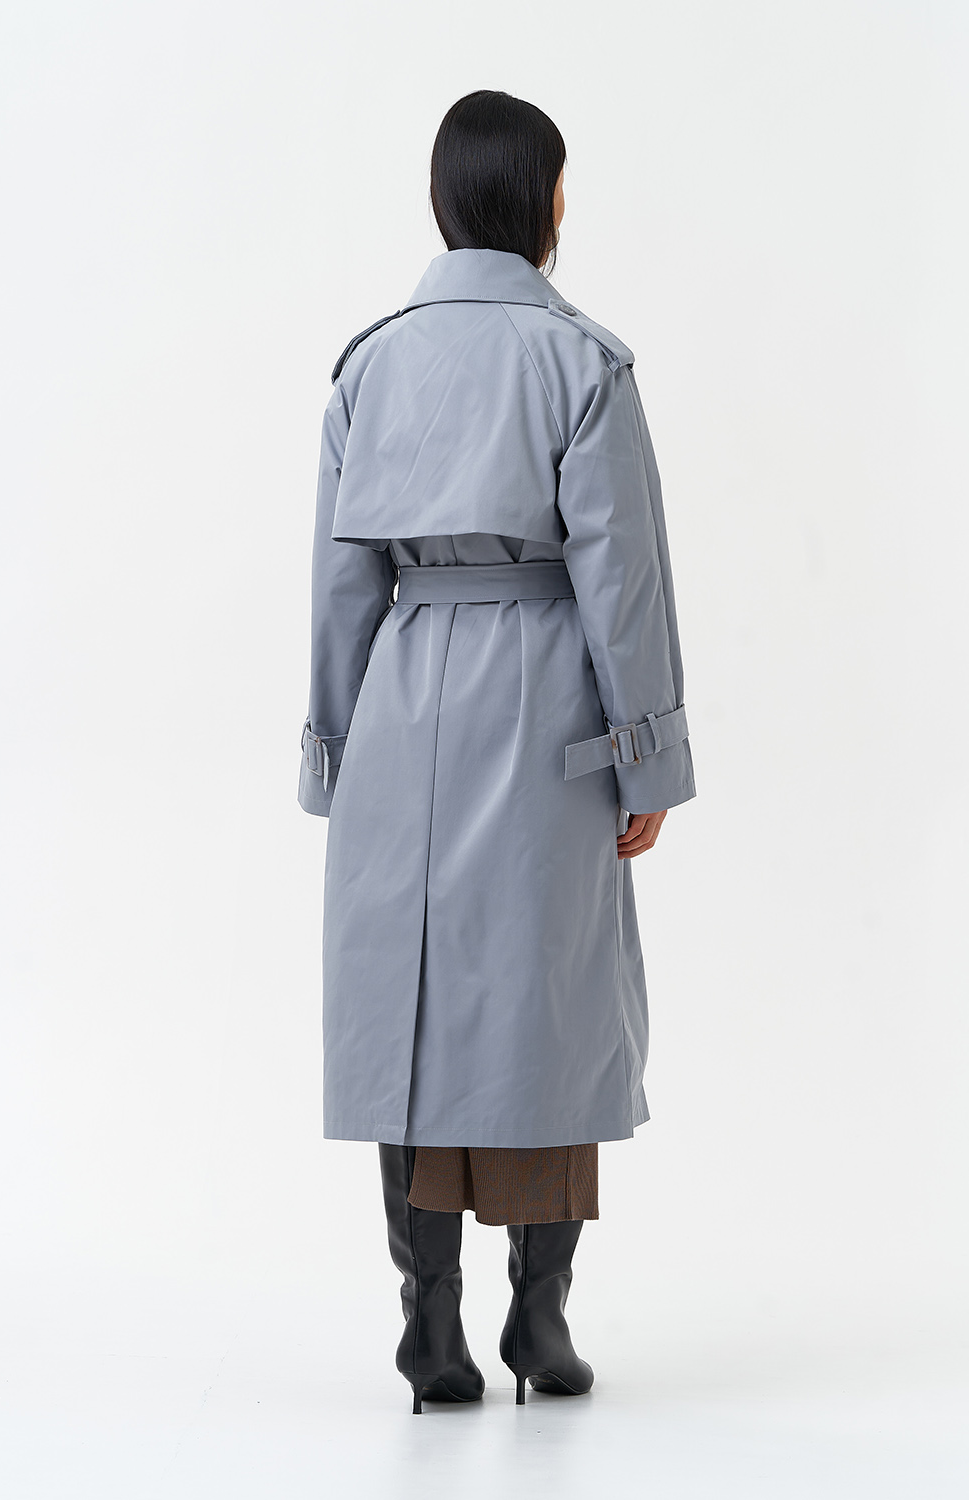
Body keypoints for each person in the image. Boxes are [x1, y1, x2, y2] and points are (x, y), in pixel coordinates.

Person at [298, 90, 695, 1414]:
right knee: (550, 999)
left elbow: (340, 585)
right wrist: (646, 760)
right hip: (547, 701)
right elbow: (622, 582)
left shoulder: (370, 366)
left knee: (407, 1010)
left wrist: (333, 751)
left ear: (444, 200)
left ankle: (429, 1326)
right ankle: (540, 1319)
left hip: (403, 696)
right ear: (543, 200)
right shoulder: (583, 364)